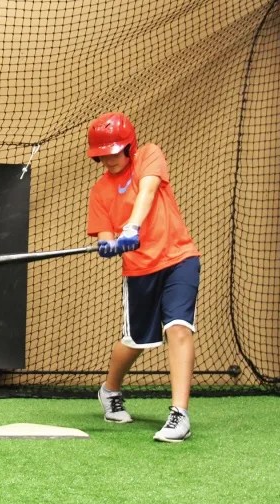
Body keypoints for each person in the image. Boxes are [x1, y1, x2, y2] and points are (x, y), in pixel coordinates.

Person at [85, 112, 200, 443]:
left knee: (179, 327)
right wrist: (108, 244)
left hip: (179, 258)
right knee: (137, 341)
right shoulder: (99, 192)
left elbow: (148, 191)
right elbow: (105, 234)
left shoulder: (150, 154)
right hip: (139, 270)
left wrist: (132, 227)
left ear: (129, 146)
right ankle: (110, 390)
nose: (107, 159)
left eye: (113, 151)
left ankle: (179, 414)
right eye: (101, 154)